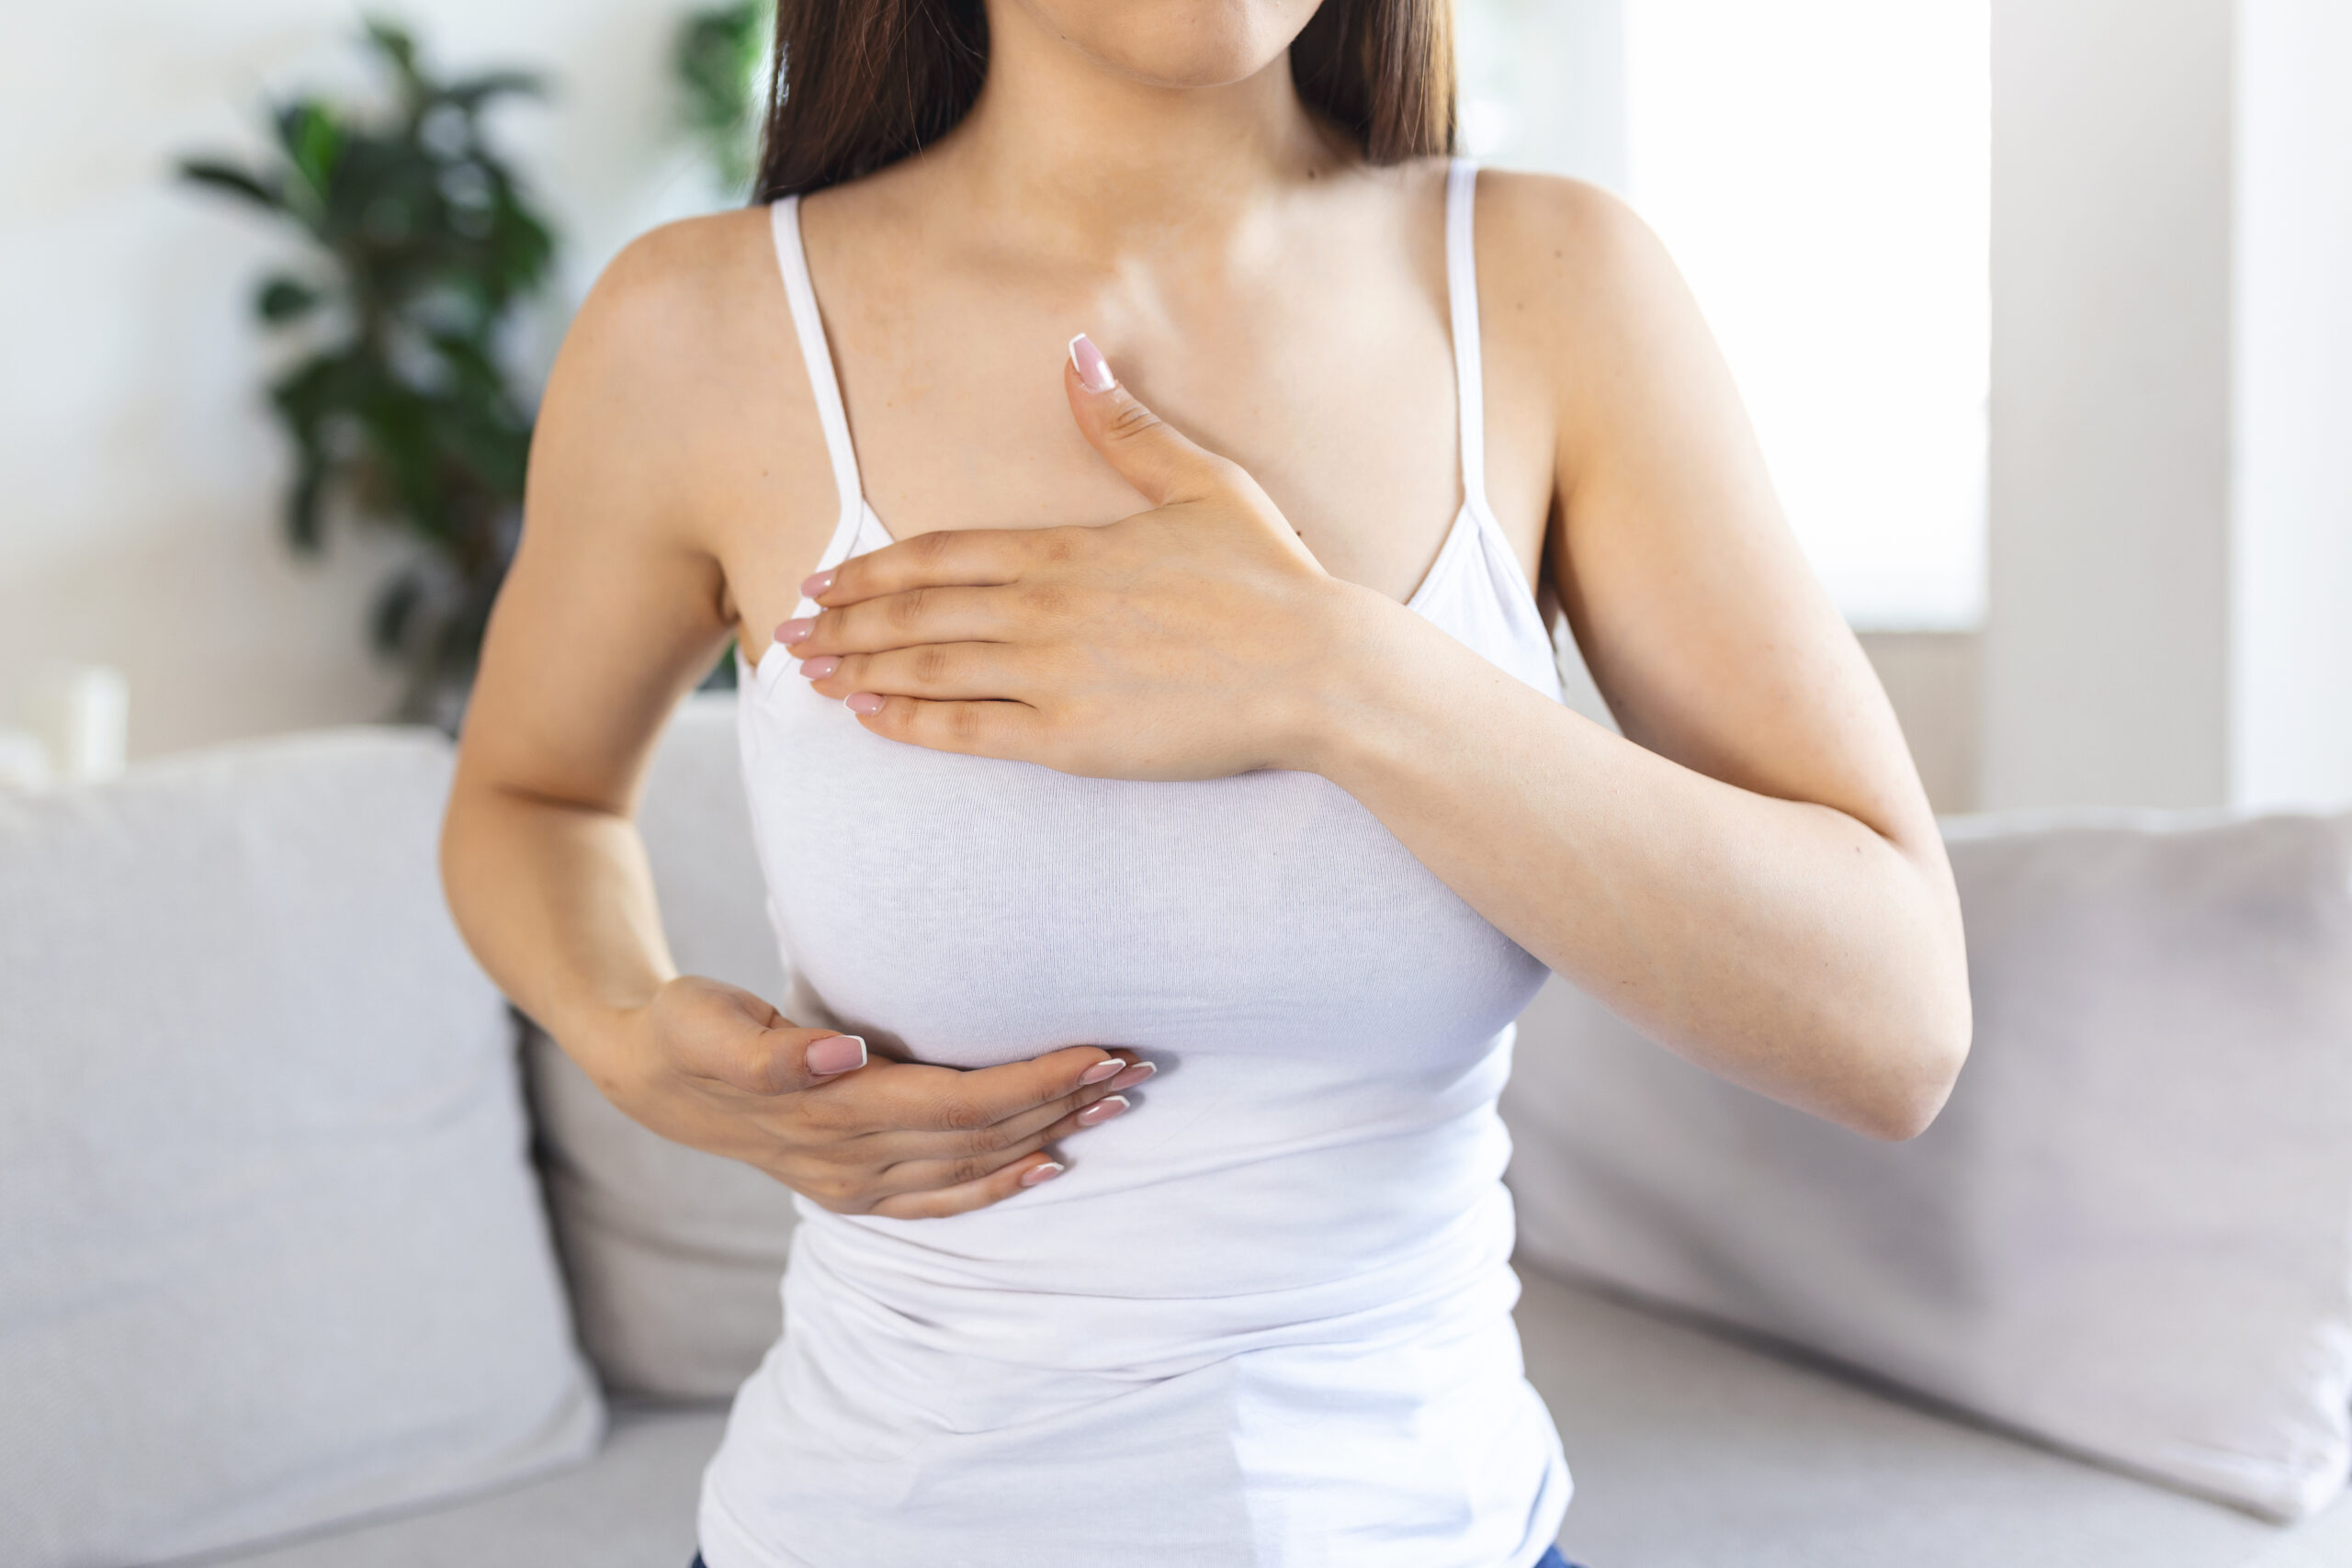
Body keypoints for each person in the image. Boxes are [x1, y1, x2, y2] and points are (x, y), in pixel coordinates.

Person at [439, 1, 1973, 1562]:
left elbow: (1893, 1027)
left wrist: (1337, 678)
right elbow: (530, 797)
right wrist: (627, 1036)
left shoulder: (1553, 291)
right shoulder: (700, 330)